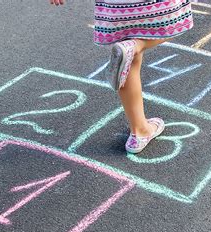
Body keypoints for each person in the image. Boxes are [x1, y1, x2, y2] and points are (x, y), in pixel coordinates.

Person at [50, 0, 194, 153]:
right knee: (177, 21)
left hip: (116, 9)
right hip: (152, 6)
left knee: (127, 59)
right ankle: (138, 45)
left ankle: (139, 131)